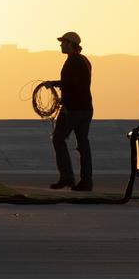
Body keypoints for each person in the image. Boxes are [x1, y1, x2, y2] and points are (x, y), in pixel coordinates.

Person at [44, 31, 93, 192]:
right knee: (83, 144)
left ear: (71, 45)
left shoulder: (73, 61)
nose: (61, 45)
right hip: (85, 109)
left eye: (63, 42)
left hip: (73, 110)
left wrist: (55, 86)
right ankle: (86, 182)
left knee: (58, 138)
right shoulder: (84, 60)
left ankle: (67, 178)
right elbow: (75, 84)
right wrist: (57, 84)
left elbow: (71, 85)